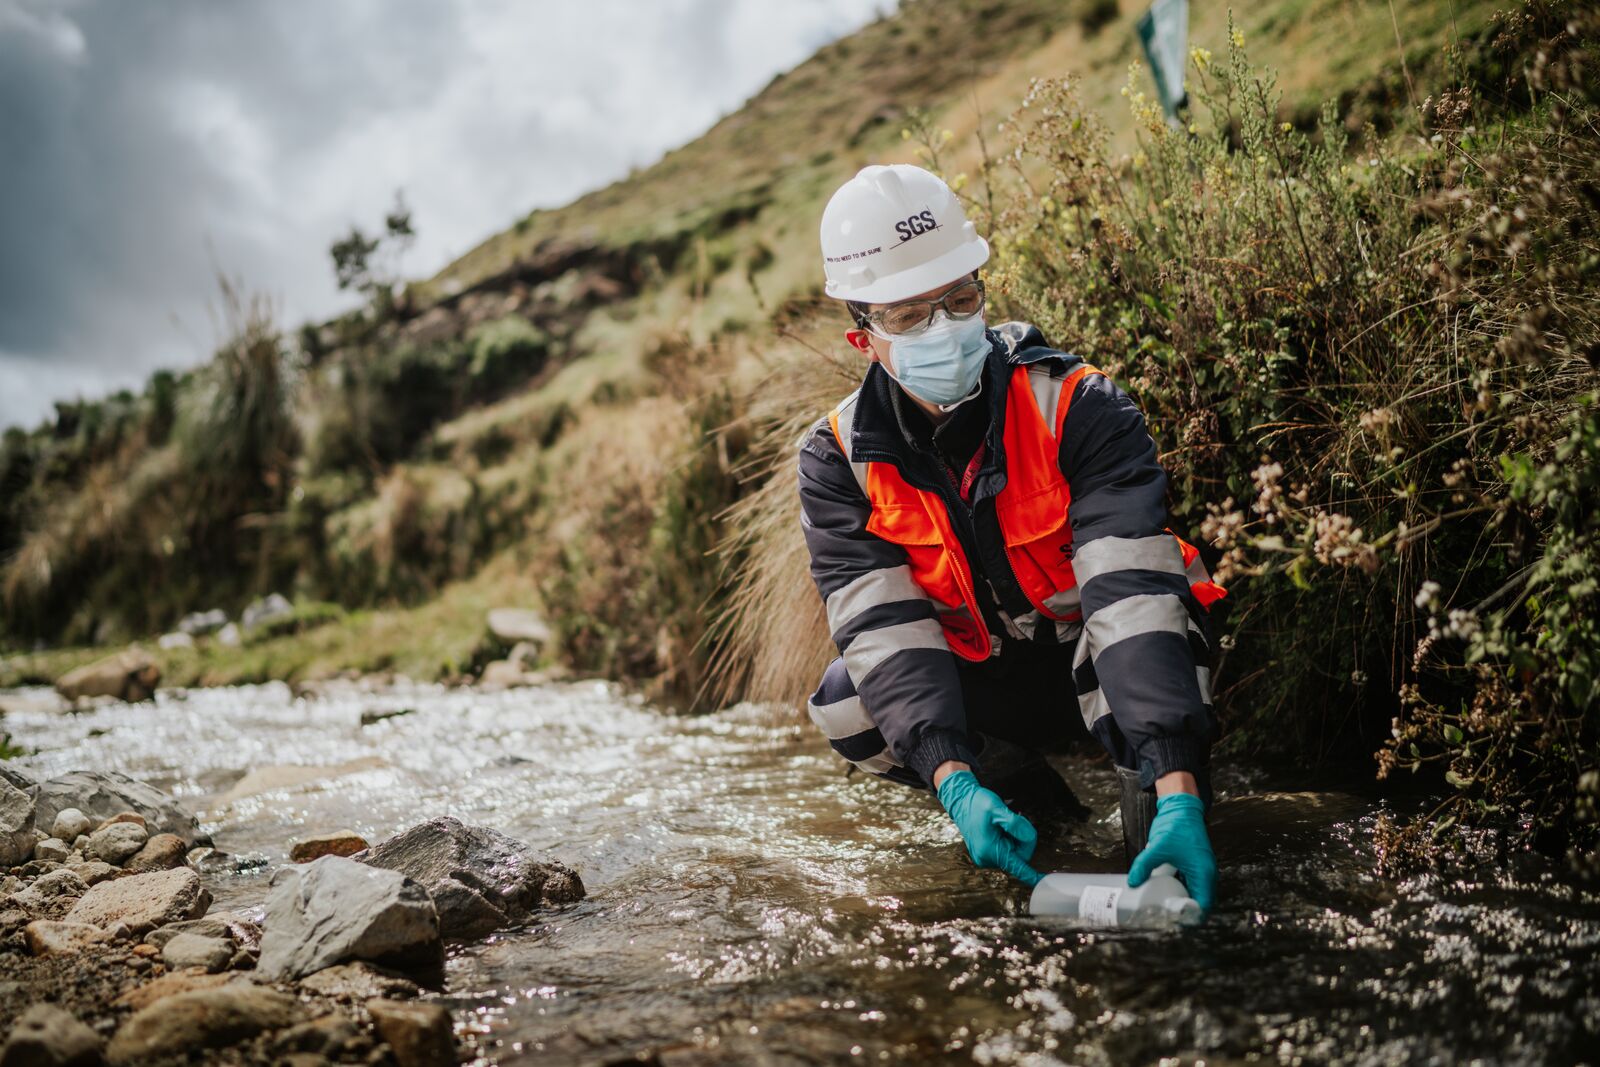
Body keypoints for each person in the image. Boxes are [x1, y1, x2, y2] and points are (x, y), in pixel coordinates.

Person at [797, 164, 1226, 912]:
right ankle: (1033, 808)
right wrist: (955, 783)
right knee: (847, 702)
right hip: (986, 684)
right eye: (908, 315)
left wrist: (1178, 784)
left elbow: (1130, 596)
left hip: (1096, 658)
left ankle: (1159, 791)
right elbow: (882, 631)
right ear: (862, 336)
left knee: (1166, 629)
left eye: (960, 300)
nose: (946, 327)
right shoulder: (836, 460)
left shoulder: (1080, 405)